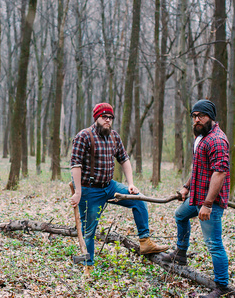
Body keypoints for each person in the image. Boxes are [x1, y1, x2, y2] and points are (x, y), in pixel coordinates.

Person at [70, 103, 169, 276]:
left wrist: (130, 184)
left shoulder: (114, 137)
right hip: (89, 190)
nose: (108, 121)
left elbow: (124, 159)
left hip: (110, 186)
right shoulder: (84, 136)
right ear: (96, 118)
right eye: (104, 117)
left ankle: (145, 241)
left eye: (110, 118)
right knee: (89, 230)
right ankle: (88, 265)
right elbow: (75, 165)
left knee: (139, 200)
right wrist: (78, 192)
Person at [161, 99, 231, 298]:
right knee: (180, 215)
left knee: (214, 243)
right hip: (196, 195)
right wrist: (186, 186)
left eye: (202, 116)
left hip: (211, 201)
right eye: (194, 116)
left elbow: (219, 173)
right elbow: (199, 166)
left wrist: (208, 205)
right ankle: (180, 254)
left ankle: (222, 287)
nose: (197, 120)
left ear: (211, 117)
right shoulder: (201, 137)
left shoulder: (217, 140)